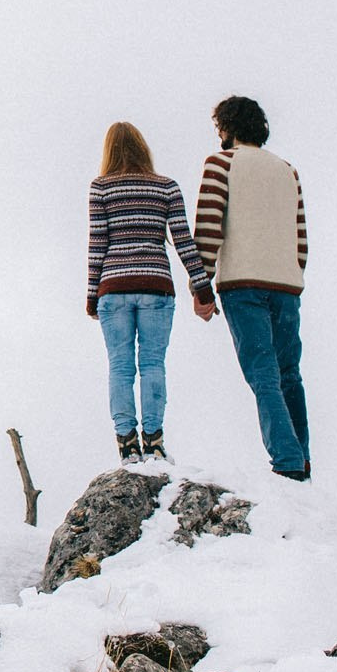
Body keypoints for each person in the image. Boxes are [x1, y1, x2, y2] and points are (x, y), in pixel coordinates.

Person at [194, 96, 311, 480]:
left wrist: (202, 287)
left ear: (226, 128)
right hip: (287, 285)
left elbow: (209, 229)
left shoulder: (220, 164)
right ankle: (302, 459)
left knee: (262, 375)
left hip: (243, 283)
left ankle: (287, 463)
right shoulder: (287, 170)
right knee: (289, 374)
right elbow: (301, 239)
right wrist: (293, 273)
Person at [86, 122, 216, 465]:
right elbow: (183, 241)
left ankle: (127, 443)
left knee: (120, 366)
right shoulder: (166, 187)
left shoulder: (100, 188)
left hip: (113, 287)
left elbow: (97, 243)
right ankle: (154, 441)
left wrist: (91, 295)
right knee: (153, 364)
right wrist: (203, 286)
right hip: (156, 284)